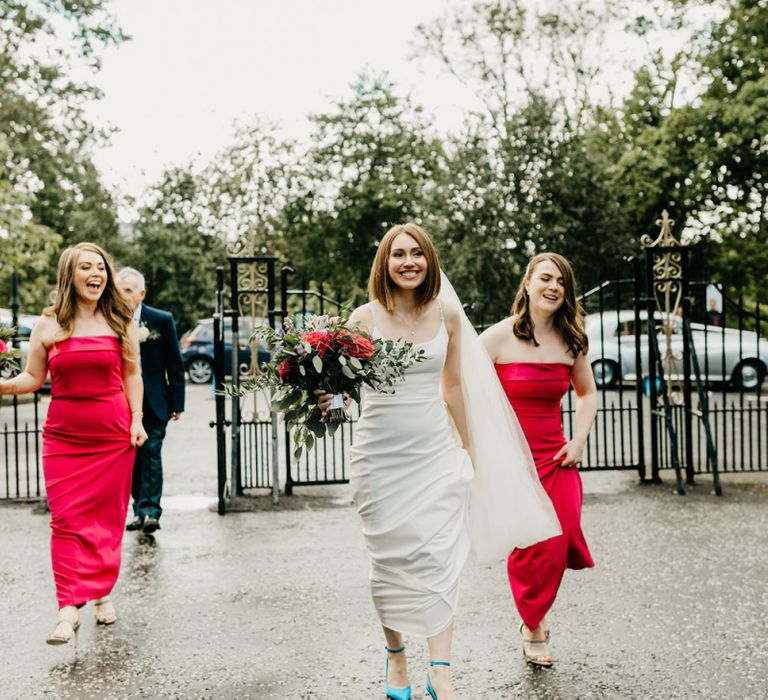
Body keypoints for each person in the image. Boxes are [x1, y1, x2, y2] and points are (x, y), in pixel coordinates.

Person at [318, 223, 559, 699]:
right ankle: (397, 659)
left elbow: (451, 387)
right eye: (398, 254)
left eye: (417, 254)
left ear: (429, 261)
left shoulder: (448, 314)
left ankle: (441, 671)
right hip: (379, 457)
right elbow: (343, 394)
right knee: (387, 561)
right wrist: (329, 398)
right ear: (384, 263)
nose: (408, 262)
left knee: (437, 558)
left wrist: (471, 448)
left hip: (433, 453)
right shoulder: (362, 319)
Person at [0, 242, 146, 644]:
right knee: (65, 522)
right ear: (70, 275)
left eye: (101, 267)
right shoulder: (49, 326)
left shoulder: (120, 320)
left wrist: (136, 420)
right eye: (87, 267)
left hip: (112, 435)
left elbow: (133, 376)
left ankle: (100, 593)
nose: (96, 273)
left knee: (106, 521)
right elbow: (32, 378)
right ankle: (67, 608)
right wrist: (3, 386)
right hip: (63, 437)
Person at [481, 252, 598, 667]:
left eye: (561, 281)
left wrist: (580, 438)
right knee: (532, 544)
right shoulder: (495, 339)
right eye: (545, 278)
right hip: (511, 461)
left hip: (556, 457)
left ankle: (533, 619)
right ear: (527, 283)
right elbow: (464, 392)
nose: (553, 287)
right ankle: (534, 625)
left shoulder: (572, 340)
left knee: (559, 536)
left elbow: (588, 394)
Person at [116, 267, 185, 535]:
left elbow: (174, 363)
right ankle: (138, 509)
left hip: (155, 400)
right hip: (121, 402)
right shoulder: (109, 320)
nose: (125, 295)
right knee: (131, 459)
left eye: (130, 290)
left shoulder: (161, 319)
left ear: (142, 293)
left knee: (151, 455)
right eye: (122, 290)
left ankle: (150, 511)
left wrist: (177, 402)